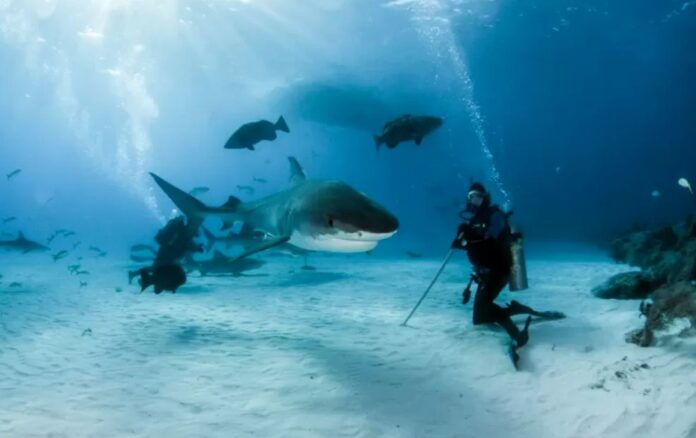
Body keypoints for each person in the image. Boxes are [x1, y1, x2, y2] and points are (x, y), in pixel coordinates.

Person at [451, 182, 536, 364]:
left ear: (485, 197)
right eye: (471, 196)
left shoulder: (495, 215)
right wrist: (461, 241)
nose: (475, 200)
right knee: (479, 318)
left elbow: (491, 240)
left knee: (484, 309)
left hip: (499, 269)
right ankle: (514, 309)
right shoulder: (473, 221)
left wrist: (468, 238)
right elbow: (475, 246)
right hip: (485, 273)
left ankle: (515, 334)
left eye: (478, 196)